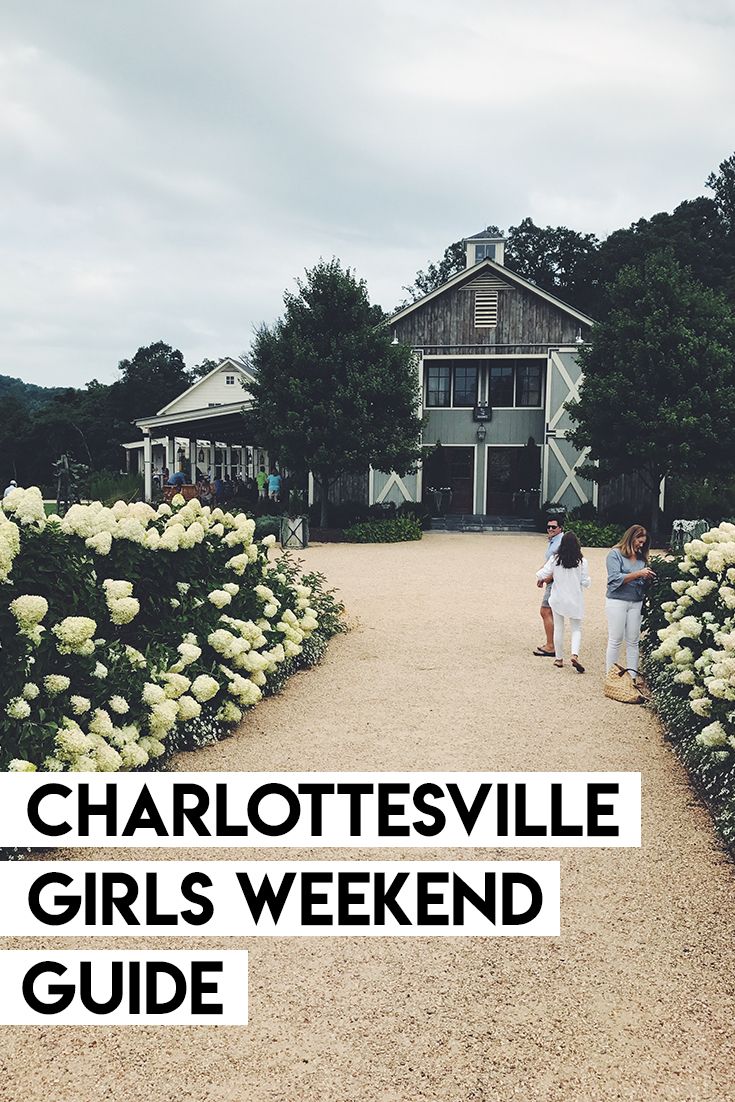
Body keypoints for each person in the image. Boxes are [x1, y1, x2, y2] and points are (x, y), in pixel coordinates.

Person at [537, 531, 591, 672]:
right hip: (575, 598)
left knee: (559, 628)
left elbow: (542, 573)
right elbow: (585, 581)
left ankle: (559, 659)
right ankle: (574, 654)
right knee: (576, 629)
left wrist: (542, 578)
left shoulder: (555, 559)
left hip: (558, 598)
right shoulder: (582, 562)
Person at [605, 524, 656, 675]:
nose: (641, 545)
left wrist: (647, 578)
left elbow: (642, 581)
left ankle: (632, 676)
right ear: (631, 538)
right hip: (617, 600)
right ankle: (611, 675)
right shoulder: (615, 554)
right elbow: (614, 579)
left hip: (636, 601)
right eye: (639, 541)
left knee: (633, 641)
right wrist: (639, 574)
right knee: (615, 639)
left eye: (643, 543)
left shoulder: (642, 558)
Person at [533, 515, 564, 656]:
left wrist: (547, 578)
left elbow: (560, 566)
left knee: (545, 611)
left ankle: (551, 645)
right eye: (549, 527)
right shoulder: (554, 541)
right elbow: (550, 562)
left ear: (560, 528)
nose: (550, 529)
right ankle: (551, 643)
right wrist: (542, 575)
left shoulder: (559, 543)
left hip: (555, 581)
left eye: (553, 527)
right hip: (551, 579)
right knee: (550, 612)